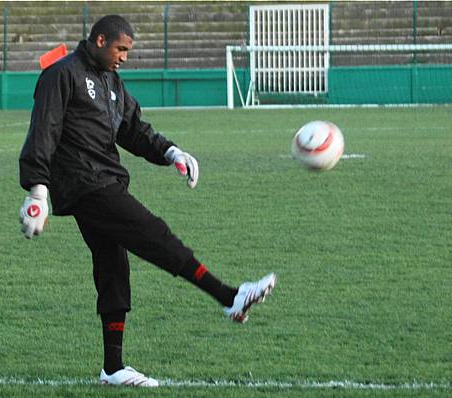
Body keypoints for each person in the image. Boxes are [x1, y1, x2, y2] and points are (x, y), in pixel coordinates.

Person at [18, 15, 276, 387]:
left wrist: (172, 152)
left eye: (128, 51)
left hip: (104, 180)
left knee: (112, 269)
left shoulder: (111, 82)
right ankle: (229, 296)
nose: (124, 56)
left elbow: (133, 130)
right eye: (120, 49)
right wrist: (37, 189)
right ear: (101, 39)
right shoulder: (62, 74)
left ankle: (112, 368)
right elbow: (44, 130)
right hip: (84, 183)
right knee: (152, 233)